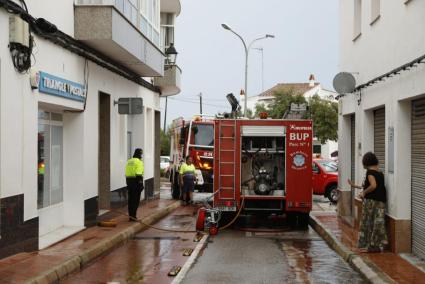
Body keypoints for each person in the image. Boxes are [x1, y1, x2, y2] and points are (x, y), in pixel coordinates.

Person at [348, 152, 388, 252]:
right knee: (378, 223)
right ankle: (376, 246)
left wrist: (363, 193)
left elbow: (373, 186)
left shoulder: (369, 173)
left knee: (367, 223)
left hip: (371, 202)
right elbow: (367, 185)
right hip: (381, 202)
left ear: (366, 162)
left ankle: (367, 246)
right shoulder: (380, 173)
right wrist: (354, 186)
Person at [125, 148, 144, 221]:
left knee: (130, 199)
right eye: (141, 154)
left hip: (129, 182)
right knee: (136, 200)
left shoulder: (129, 161)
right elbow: (139, 174)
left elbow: (127, 173)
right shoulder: (139, 162)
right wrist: (141, 184)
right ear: (139, 154)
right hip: (136, 182)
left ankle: (131, 216)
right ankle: (134, 216)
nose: (141, 156)